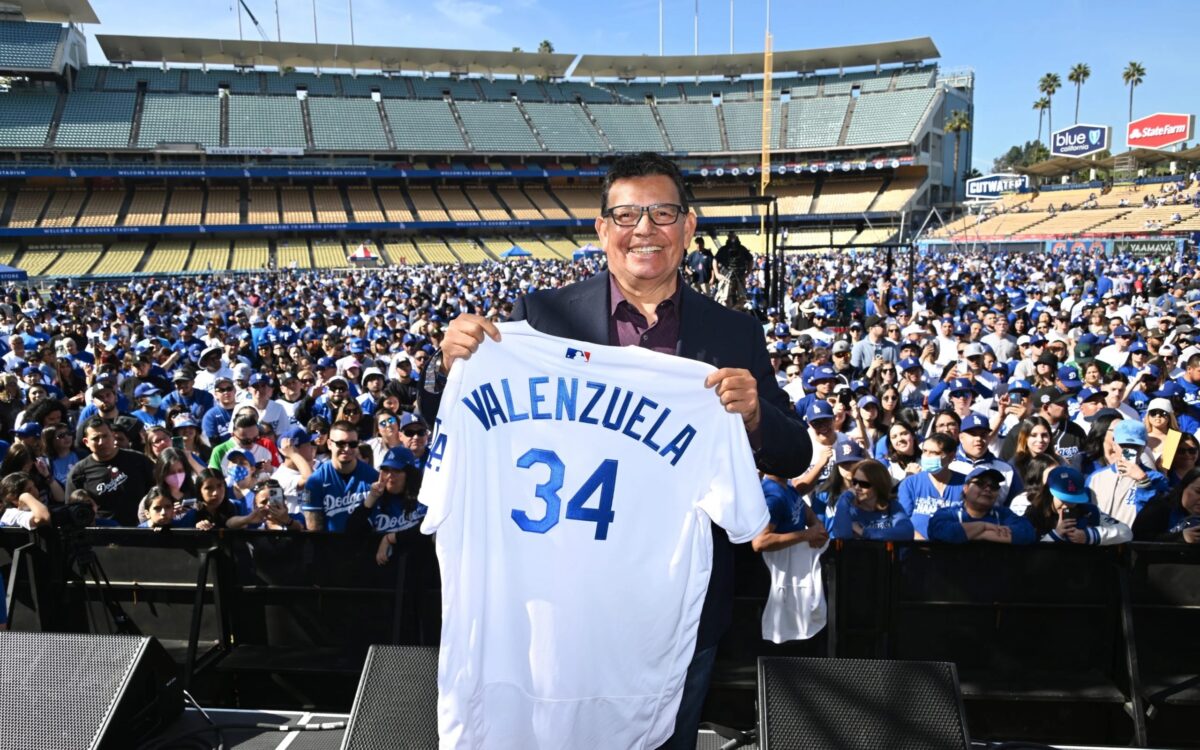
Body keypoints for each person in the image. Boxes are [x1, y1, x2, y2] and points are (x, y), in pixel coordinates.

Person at [433, 152, 809, 749]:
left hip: (674, 612)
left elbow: (793, 454)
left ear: (689, 228)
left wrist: (757, 416)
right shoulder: (541, 318)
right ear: (602, 229)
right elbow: (472, 429)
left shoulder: (734, 332)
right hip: (556, 600)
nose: (645, 230)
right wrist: (450, 368)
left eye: (663, 213)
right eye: (627, 214)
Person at [65, 417, 155, 526]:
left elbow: (157, 492)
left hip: (141, 530)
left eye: (105, 436)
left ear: (113, 435)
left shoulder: (138, 460)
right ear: (86, 442)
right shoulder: (78, 473)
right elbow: (73, 511)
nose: (101, 442)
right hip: (103, 535)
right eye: (95, 438)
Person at [348, 445, 426, 564]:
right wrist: (371, 498)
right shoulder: (376, 500)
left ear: (409, 474)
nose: (389, 476)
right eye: (385, 470)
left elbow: (426, 532)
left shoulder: (423, 498)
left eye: (396, 471)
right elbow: (352, 532)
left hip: (417, 570)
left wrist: (391, 538)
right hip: (383, 574)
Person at [1086, 420, 1168, 527]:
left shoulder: (1156, 478)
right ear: (1114, 444)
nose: (1128, 450)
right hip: (1100, 539)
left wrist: (1143, 481)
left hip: (1134, 540)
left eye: (1134, 446)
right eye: (1124, 445)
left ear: (1144, 447)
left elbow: (1156, 515)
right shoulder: (1096, 477)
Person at [302, 420, 379, 532]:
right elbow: (313, 528)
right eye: (341, 444)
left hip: (365, 545)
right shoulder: (315, 481)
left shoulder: (372, 477)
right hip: (330, 546)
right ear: (329, 444)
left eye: (352, 444)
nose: (347, 449)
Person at [927, 466, 1037, 545]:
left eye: (994, 486)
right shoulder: (948, 513)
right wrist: (983, 526)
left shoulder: (1004, 514)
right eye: (980, 484)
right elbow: (940, 532)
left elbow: (1027, 533)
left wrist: (981, 534)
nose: (988, 489)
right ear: (965, 488)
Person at [1030, 466, 1132, 545]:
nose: (1067, 505)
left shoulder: (1089, 511)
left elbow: (1126, 532)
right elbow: (1029, 553)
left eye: (1073, 500)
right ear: (1049, 492)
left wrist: (1089, 536)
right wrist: (1056, 534)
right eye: (1063, 499)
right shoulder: (1033, 514)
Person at [898, 432, 967, 539]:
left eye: (934, 453)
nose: (927, 457)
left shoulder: (965, 484)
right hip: (916, 549)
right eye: (925, 451)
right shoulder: (910, 483)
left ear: (951, 456)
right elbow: (901, 521)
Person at [829, 459, 915, 541]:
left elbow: (907, 532)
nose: (857, 487)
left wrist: (864, 532)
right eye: (854, 482)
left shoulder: (891, 506)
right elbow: (842, 535)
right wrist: (844, 498)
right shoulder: (849, 508)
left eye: (864, 484)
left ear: (878, 485)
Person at [1132, 467, 1200, 543]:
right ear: (1184, 487)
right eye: (1198, 492)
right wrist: (1180, 537)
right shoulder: (1159, 507)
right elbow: (1139, 538)